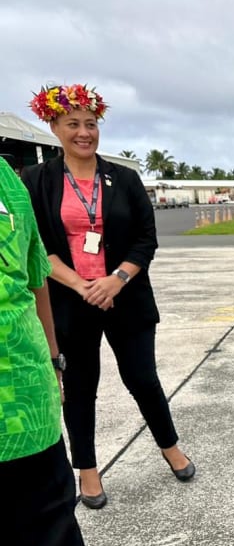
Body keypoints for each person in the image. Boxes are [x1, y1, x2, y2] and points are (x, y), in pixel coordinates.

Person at [22, 83, 195, 510]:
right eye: (73, 124)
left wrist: (116, 279)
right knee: (80, 388)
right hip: (71, 300)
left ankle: (170, 446)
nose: (84, 132)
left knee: (142, 379)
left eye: (91, 124)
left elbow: (145, 238)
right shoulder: (38, 180)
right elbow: (39, 245)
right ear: (54, 127)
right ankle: (88, 470)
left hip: (126, 298)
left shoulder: (125, 178)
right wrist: (83, 285)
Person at [0, 156, 104, 546]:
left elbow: (33, 273)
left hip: (24, 407)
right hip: (24, 402)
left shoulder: (8, 180)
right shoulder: (21, 181)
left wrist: (52, 360)